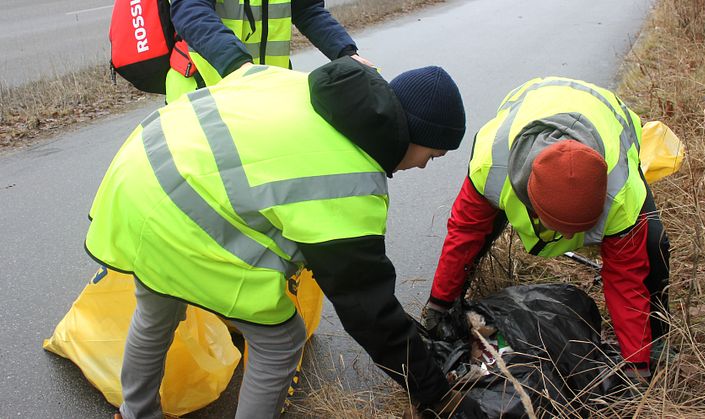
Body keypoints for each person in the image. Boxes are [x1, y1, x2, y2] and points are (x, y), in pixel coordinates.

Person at [86, 57, 484, 418]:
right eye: (431, 156)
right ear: (415, 134)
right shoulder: (351, 180)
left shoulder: (304, 84)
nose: (423, 167)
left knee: (157, 307)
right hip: (180, 216)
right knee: (280, 340)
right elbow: (370, 312)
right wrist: (435, 392)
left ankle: (135, 412)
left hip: (138, 175)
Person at [422, 77, 671, 379]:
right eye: (561, 229)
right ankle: (450, 313)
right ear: (531, 202)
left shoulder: (620, 193)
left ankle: (657, 343)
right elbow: (464, 233)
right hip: (533, 101)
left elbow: (627, 280)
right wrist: (440, 302)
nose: (568, 239)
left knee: (654, 245)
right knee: (480, 236)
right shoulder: (491, 166)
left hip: (608, 119)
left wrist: (636, 366)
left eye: (578, 230)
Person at [166, 0, 373, 103]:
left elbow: (308, 11)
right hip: (205, 89)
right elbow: (191, 13)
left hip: (269, 87)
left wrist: (346, 53)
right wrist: (238, 65)